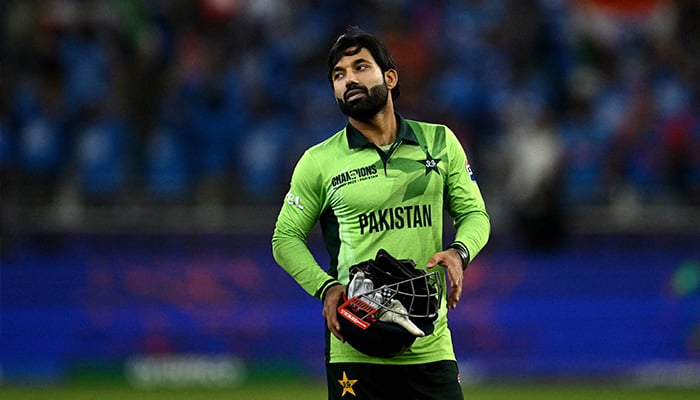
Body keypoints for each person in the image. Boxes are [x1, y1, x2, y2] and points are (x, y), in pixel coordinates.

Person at [271, 26, 490, 399]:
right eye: (339, 75)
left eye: (360, 67)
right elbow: (284, 238)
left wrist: (459, 252)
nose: (349, 80)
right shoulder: (319, 161)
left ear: (390, 77)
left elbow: (476, 215)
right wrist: (326, 288)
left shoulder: (439, 141)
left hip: (429, 344)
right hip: (355, 346)